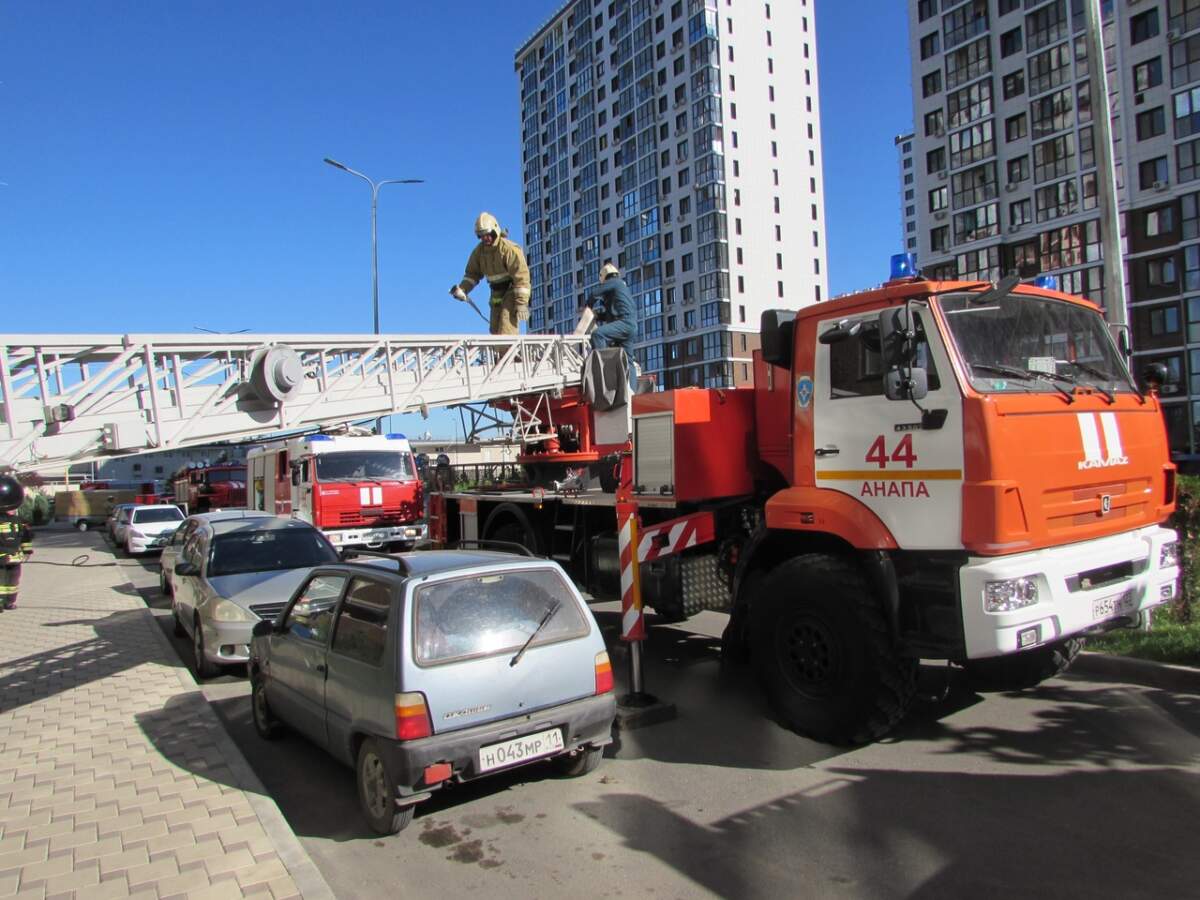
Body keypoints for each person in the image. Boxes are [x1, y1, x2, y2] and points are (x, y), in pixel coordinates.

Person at [450, 213, 531, 335]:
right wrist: (462, 289)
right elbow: (472, 275)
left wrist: (521, 303)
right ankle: (499, 354)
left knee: (506, 327)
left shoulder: (509, 249)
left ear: (495, 230)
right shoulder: (479, 253)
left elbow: (521, 277)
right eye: (481, 236)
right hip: (496, 293)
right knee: (495, 330)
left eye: (487, 234)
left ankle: (509, 354)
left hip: (511, 291)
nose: (485, 238)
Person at [0, 475, 32, 611]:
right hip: (1, 558)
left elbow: (25, 536)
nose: (13, 510)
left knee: (13, 581)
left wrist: (27, 550)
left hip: (15, 559)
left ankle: (10, 602)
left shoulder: (18, 521)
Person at [587, 263, 635, 351]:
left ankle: (602, 363)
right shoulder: (621, 288)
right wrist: (599, 316)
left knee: (597, 335)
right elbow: (613, 313)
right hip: (630, 326)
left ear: (604, 277)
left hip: (623, 323)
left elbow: (594, 295)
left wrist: (587, 308)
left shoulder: (613, 282)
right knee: (625, 361)